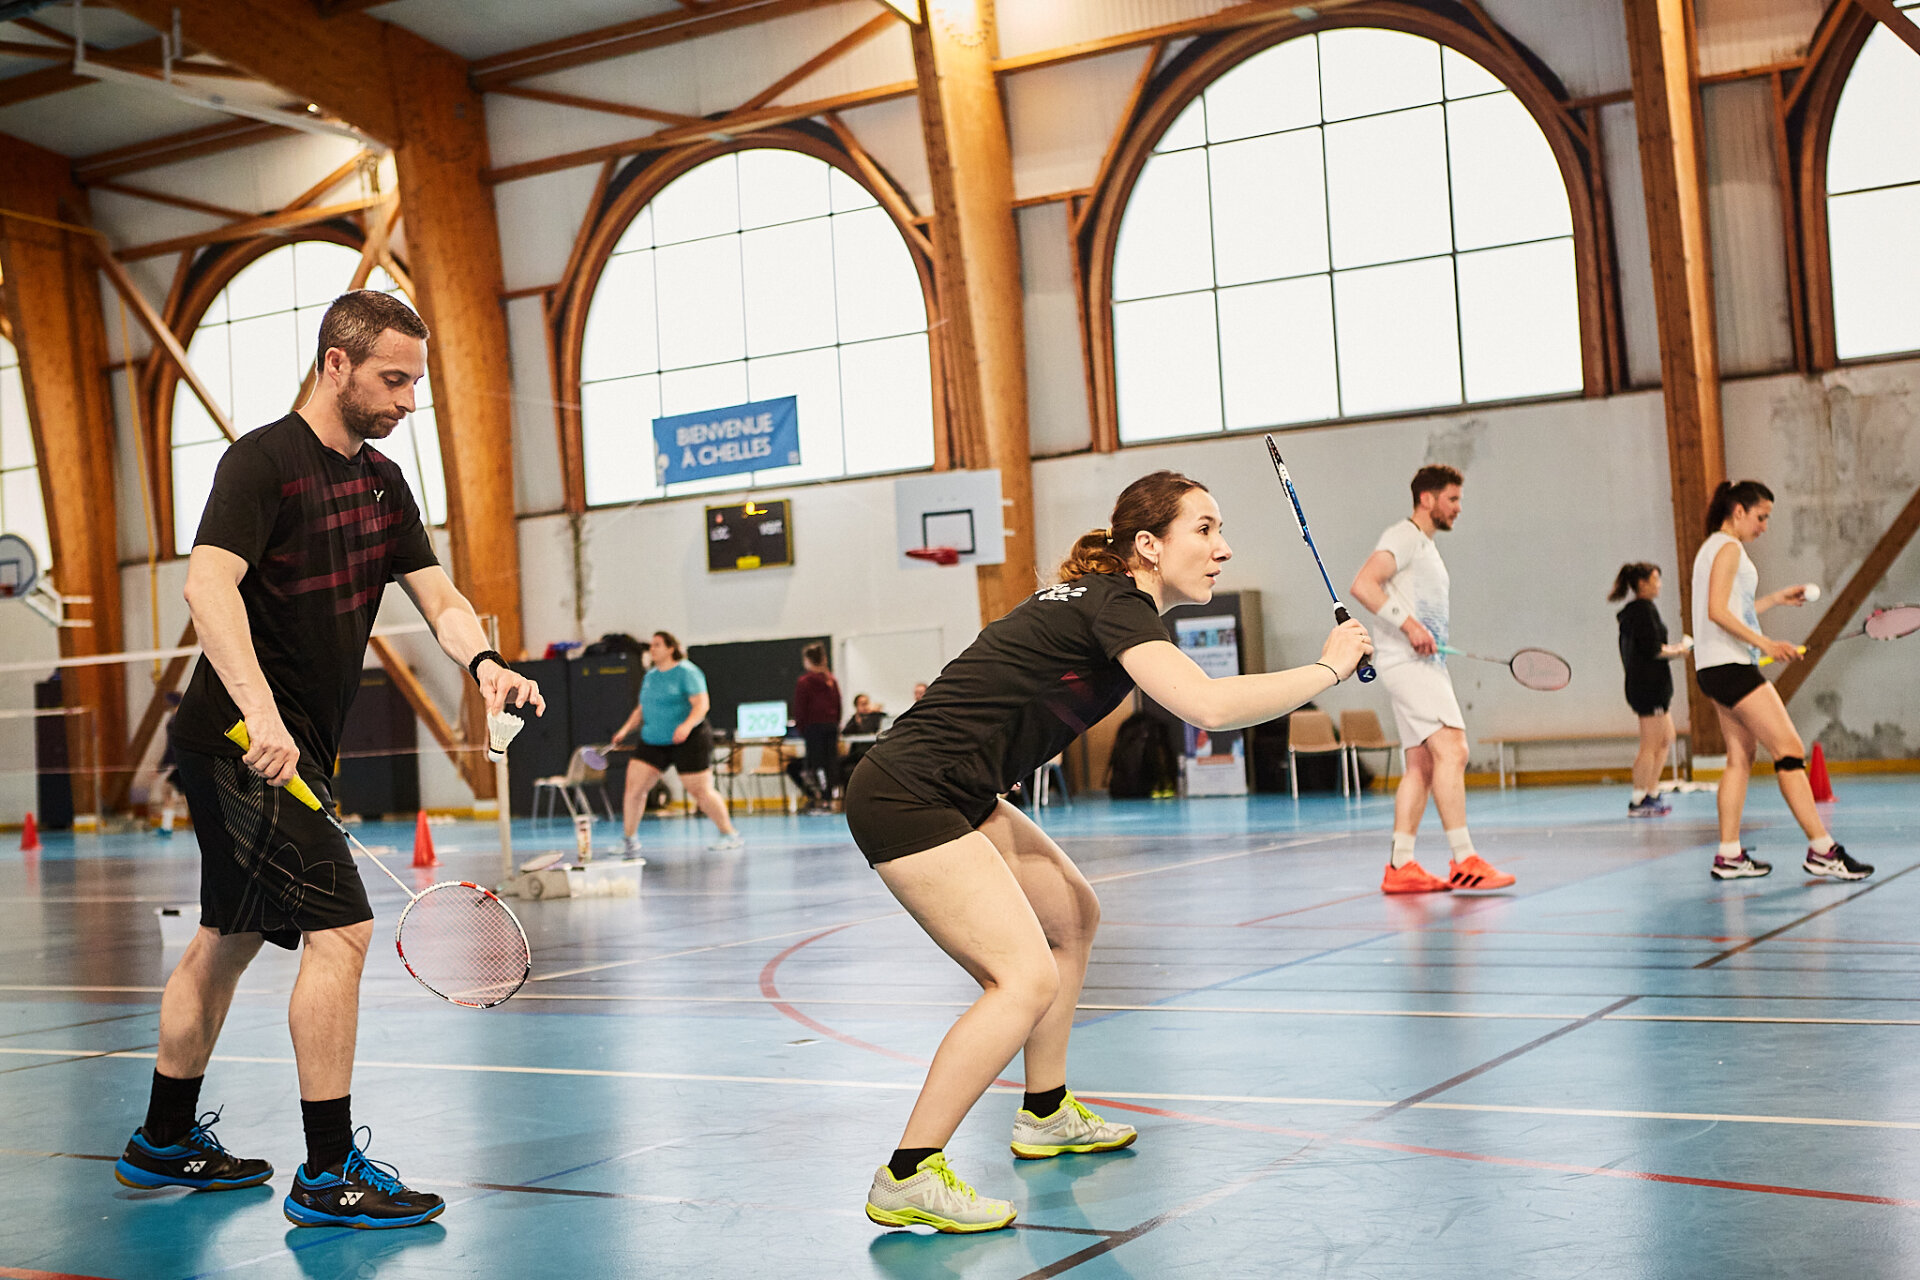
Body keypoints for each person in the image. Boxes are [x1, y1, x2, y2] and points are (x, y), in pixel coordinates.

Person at [115, 290, 545, 1230]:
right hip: (241, 741)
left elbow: (438, 594)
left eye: (416, 382)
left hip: (297, 745)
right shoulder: (262, 462)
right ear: (336, 364)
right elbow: (207, 586)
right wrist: (261, 713)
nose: (408, 400)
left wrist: (483, 662)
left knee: (227, 937)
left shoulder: (384, 484)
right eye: (393, 379)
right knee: (343, 928)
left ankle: (163, 1138)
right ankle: (326, 1171)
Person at [850, 470, 1371, 1233]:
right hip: (910, 792)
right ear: (1149, 546)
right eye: (1205, 529)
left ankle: (1045, 1112)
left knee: (1072, 916)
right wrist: (1328, 668)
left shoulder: (1104, 602)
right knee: (1022, 979)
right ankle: (907, 1173)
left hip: (957, 786)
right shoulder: (1115, 603)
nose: (1223, 548)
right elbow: (1207, 706)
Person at [1691, 481, 1871, 881]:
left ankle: (1728, 854)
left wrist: (1774, 599)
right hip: (1732, 666)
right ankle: (1823, 849)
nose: (1764, 526)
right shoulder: (1728, 547)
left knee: (1740, 758)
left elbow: (1730, 609)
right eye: (1761, 517)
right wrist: (1768, 643)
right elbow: (1717, 612)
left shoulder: (1709, 549)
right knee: (1789, 750)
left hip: (1712, 668)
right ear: (1738, 510)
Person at [1349, 464, 1515, 895]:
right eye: (1452, 499)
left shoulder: (1425, 546)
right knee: (1454, 749)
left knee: (1421, 766)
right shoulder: (1404, 536)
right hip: (1409, 663)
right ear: (1427, 498)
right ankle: (1464, 859)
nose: (1458, 508)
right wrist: (1409, 626)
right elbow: (1364, 584)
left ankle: (1400, 865)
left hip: (1421, 664)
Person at [609, 631, 741, 854]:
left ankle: (729, 834)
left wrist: (687, 725)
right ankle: (629, 839)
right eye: (651, 645)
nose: (652, 649)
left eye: (657, 645)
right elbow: (642, 708)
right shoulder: (650, 676)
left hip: (688, 739)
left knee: (700, 790)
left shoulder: (687, 672)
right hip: (653, 740)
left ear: (671, 648)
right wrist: (624, 730)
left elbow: (701, 705)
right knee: (634, 788)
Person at [1609, 562, 1690, 816]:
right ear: (1642, 583)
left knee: (1666, 738)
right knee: (1650, 744)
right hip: (1647, 687)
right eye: (1656, 579)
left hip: (1655, 687)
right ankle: (1638, 799)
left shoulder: (1644, 610)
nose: (1659, 585)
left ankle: (1652, 792)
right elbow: (1653, 649)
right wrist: (1680, 650)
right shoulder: (1640, 612)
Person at [786, 643, 842, 812]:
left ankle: (823, 799)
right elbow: (838, 705)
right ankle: (828, 797)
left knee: (818, 764)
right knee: (830, 763)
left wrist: (802, 728)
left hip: (814, 729)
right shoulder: (831, 680)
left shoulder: (805, 682)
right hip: (831, 727)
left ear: (808, 660)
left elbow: (800, 708)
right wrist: (835, 723)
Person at [842, 694, 885, 769]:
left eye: (866, 703)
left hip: (870, 750)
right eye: (862, 704)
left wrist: (876, 711)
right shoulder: (854, 719)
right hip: (856, 752)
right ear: (856, 706)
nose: (865, 706)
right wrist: (857, 719)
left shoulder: (874, 716)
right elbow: (845, 732)